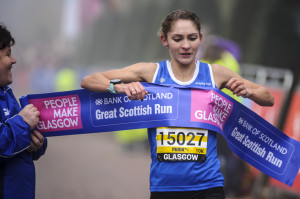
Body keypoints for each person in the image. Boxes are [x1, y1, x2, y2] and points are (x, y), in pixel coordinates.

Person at [81, 10, 274, 199]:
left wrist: (246, 90)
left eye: (192, 38)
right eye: (177, 39)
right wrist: (120, 88)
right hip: (165, 187)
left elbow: (267, 97)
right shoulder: (151, 72)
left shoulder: (215, 74)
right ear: (165, 40)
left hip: (209, 186)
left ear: (201, 38)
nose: (185, 45)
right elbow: (90, 80)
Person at [0, 23, 47, 199]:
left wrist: (37, 145)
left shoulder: (6, 93)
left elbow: (19, 139)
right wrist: (22, 122)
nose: (14, 60)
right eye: (7, 54)